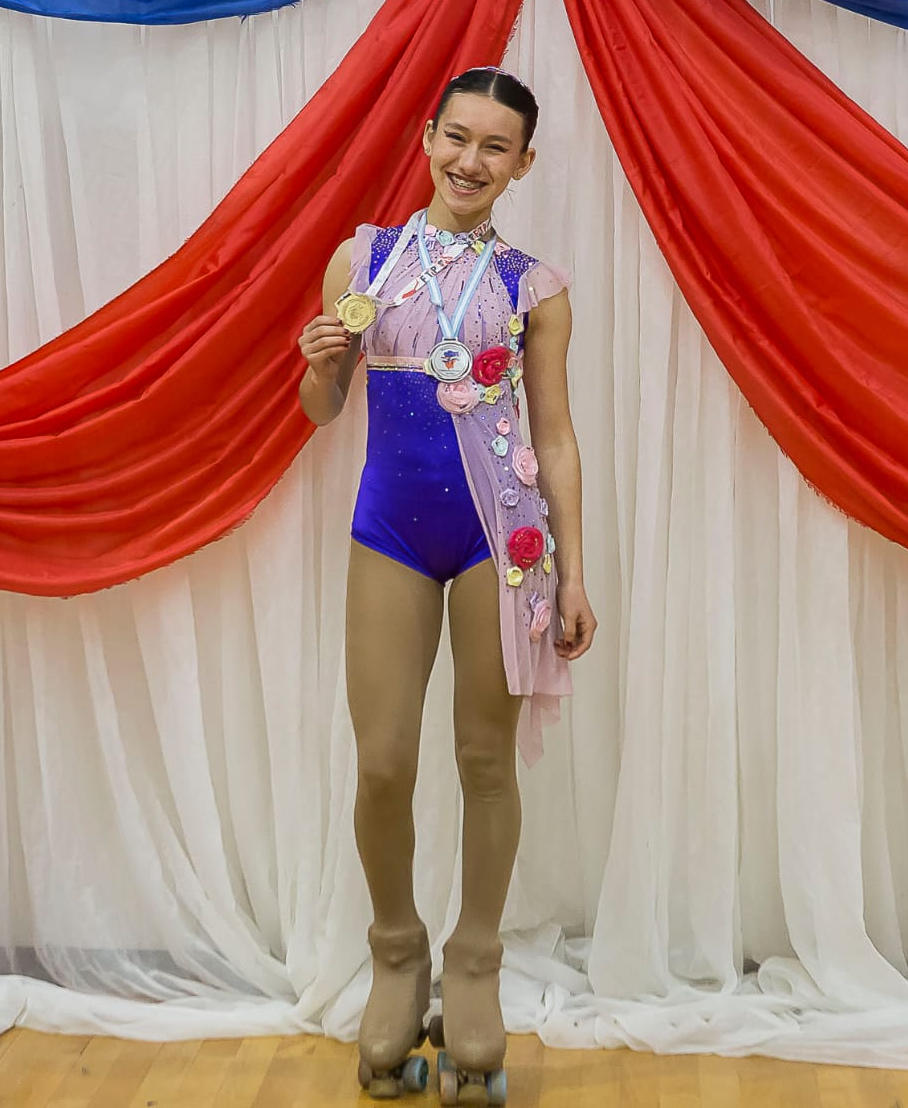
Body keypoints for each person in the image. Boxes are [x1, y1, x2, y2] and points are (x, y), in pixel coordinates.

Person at [297, 67, 597, 1104]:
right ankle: (395, 952)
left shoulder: (533, 286)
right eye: (457, 137)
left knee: (483, 761)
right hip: (390, 529)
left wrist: (574, 573)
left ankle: (473, 963)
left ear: (523, 163)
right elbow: (321, 408)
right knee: (382, 762)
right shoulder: (364, 258)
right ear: (428, 137)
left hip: (499, 541)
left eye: (495, 146)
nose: (471, 160)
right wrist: (319, 361)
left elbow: (555, 436)